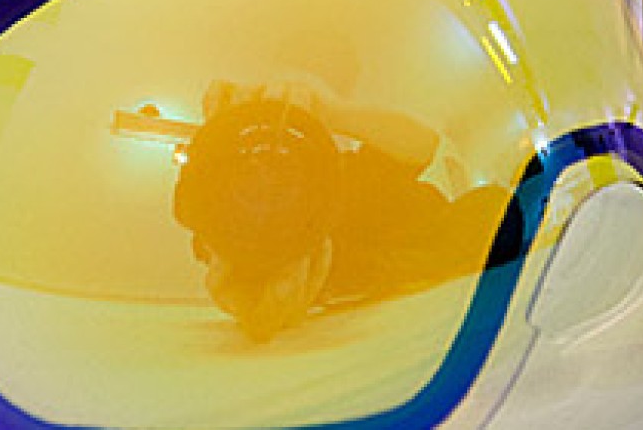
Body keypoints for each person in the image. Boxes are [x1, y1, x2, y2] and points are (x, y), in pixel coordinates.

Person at [173, 81, 511, 342]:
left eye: (277, 166)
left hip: (445, 235)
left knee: (492, 208)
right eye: (250, 176)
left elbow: (422, 146)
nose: (267, 180)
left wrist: (331, 112)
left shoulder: (341, 174)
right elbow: (246, 299)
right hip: (400, 277)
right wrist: (257, 305)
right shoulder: (226, 229)